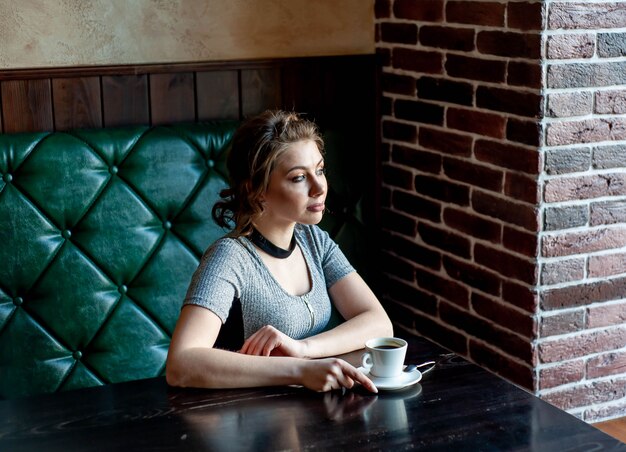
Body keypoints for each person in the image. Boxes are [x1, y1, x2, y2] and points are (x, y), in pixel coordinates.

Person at [166, 110, 393, 393]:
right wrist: (300, 370)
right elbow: (181, 363)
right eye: (299, 177)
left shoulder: (314, 240)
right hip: (240, 421)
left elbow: (379, 322)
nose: (319, 187)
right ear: (257, 190)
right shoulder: (229, 258)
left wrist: (303, 349)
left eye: (320, 170)